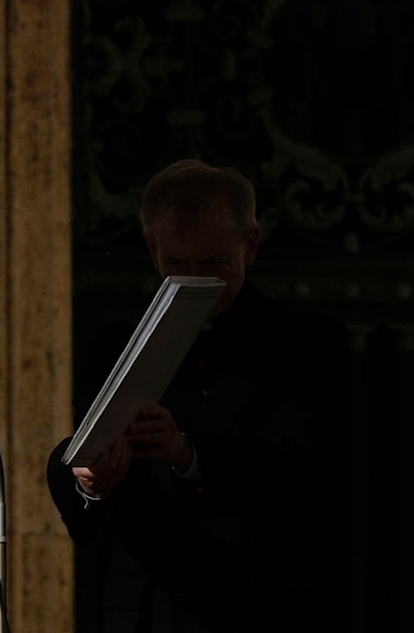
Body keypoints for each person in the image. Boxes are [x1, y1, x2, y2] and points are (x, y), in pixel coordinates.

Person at [47, 159, 348, 632]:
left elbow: (302, 466)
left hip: (255, 605)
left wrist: (188, 453)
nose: (196, 280)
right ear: (153, 250)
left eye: (212, 264)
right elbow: (81, 464)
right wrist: (89, 479)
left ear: (248, 245)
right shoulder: (113, 344)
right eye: (178, 264)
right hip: (143, 607)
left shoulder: (308, 342)